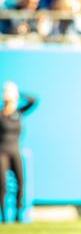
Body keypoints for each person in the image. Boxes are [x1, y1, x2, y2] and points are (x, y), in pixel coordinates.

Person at [0, 82, 37, 223]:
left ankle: (18, 215)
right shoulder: (1, 115)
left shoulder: (19, 113)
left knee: (21, 182)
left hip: (16, 151)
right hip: (2, 152)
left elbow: (34, 100)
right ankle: (4, 217)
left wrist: (17, 92)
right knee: (2, 184)